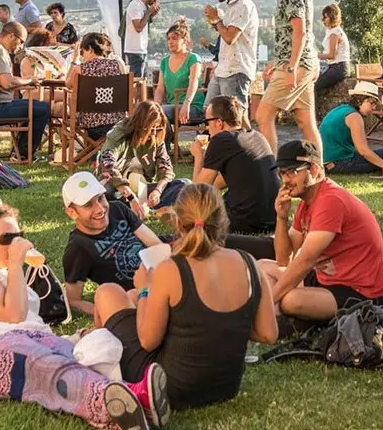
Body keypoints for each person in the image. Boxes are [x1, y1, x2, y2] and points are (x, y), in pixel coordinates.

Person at [0, 197, 163, 430]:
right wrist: (16, 263)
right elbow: (12, 315)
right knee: (47, 367)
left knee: (86, 352)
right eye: (6, 239)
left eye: (18, 236)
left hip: (34, 336)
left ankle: (133, 395)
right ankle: (116, 403)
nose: (16, 244)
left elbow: (30, 323)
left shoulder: (12, 277)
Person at [100, 183, 278, 411]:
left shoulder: (171, 269)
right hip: (226, 386)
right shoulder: (248, 262)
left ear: (177, 222)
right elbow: (267, 333)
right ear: (224, 221)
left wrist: (145, 289)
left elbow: (148, 340)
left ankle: (100, 373)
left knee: (109, 293)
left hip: (168, 387)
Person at [265, 140, 383, 321]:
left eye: (292, 172)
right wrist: (280, 217)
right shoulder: (306, 202)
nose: (286, 180)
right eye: (282, 174)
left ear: (314, 170)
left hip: (363, 293)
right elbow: (283, 259)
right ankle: (281, 315)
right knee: (262, 267)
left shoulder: (330, 201)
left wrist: (270, 300)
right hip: (328, 280)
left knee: (291, 300)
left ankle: (277, 313)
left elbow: (305, 261)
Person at [60, 172, 165, 319]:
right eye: (88, 205)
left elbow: (155, 244)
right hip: (140, 294)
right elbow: (73, 301)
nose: (100, 209)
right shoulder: (78, 247)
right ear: (72, 213)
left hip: (159, 272)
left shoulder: (118, 209)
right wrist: (106, 309)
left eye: (101, 198)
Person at [187, 96, 279, 248]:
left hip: (244, 221)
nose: (207, 128)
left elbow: (198, 190)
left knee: (192, 209)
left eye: (207, 122)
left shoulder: (222, 140)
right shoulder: (256, 136)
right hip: (271, 219)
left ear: (219, 122)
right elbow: (219, 183)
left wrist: (198, 156)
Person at [255, 0, 321, 147]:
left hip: (297, 66)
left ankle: (271, 172)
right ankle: (318, 172)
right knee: (306, 122)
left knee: (263, 115)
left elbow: (299, 31)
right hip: (306, 63)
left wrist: (291, 66)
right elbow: (291, 34)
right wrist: (277, 60)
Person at [0, 22, 52, 159]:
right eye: (21, 41)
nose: (21, 46)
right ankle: (24, 154)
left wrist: (25, 84)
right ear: (11, 36)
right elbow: (6, 83)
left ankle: (20, 151)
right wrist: (29, 79)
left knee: (34, 105)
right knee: (43, 108)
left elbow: (3, 83)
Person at [97, 101, 184, 213]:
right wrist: (131, 197)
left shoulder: (156, 136)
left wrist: (158, 191)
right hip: (120, 188)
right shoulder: (119, 134)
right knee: (106, 192)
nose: (153, 133)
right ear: (140, 125)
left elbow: (166, 167)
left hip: (143, 188)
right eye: (150, 129)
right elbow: (108, 167)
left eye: (157, 129)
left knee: (184, 184)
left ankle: (143, 207)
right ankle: (135, 208)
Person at [202, 0, 259, 108]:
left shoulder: (243, 6)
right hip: (224, 68)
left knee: (233, 115)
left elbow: (229, 37)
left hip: (236, 69)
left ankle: (246, 131)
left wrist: (216, 19)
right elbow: (226, 32)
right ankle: (246, 130)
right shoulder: (232, 6)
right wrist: (215, 22)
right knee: (209, 109)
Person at [317, 81, 383, 176]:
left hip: (326, 162)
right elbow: (363, 150)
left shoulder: (341, 109)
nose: (374, 107)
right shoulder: (354, 116)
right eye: (372, 103)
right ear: (360, 100)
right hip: (339, 163)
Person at [66, 33, 127, 143]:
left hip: (90, 123)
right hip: (117, 121)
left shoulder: (80, 69)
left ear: (89, 48)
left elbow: (67, 84)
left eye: (82, 52)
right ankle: (102, 151)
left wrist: (74, 60)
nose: (82, 56)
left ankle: (91, 151)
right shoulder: (118, 64)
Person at [156, 19, 204, 129]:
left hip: (191, 106)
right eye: (168, 39)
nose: (170, 42)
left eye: (174, 38)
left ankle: (166, 145)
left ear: (185, 40)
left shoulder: (193, 58)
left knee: (161, 114)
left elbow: (194, 82)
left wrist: (187, 104)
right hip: (171, 107)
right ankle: (166, 144)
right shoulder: (164, 62)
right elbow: (160, 89)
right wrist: (156, 106)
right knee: (152, 112)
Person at [124, 0, 161, 79]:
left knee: (143, 80)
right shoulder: (135, 5)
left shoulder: (143, 5)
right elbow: (138, 27)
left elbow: (144, 23)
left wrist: (152, 13)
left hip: (141, 49)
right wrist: (149, 12)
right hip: (134, 50)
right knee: (137, 81)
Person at [314, 4, 350, 102]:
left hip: (339, 68)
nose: (323, 20)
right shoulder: (332, 31)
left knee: (314, 86)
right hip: (336, 67)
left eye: (325, 17)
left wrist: (314, 55)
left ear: (332, 17)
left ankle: (314, 116)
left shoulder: (335, 33)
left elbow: (331, 55)